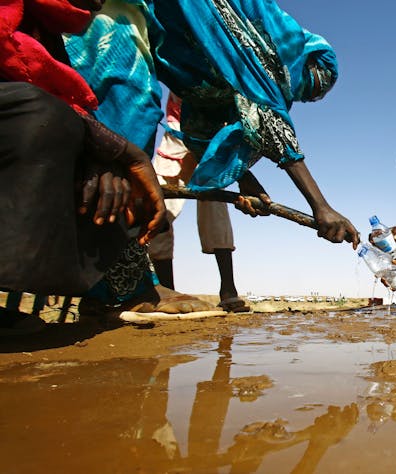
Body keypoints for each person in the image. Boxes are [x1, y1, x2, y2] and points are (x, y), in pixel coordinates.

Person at [0, 0, 221, 334]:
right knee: (51, 119)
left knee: (72, 124)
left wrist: (104, 148)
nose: (98, 2)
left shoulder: (43, 31)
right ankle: (122, 285)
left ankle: (113, 282)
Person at [150, 0, 359, 254]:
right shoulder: (267, 39)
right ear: (299, 61)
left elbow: (200, 126)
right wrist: (321, 207)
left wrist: (243, 178)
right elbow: (265, 113)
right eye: (304, 83)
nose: (294, 92)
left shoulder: (228, 71)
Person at [148, 92, 250, 313]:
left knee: (215, 205)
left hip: (213, 142)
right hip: (176, 137)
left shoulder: (229, 75)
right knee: (157, 208)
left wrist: (241, 173)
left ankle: (228, 290)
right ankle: (167, 290)